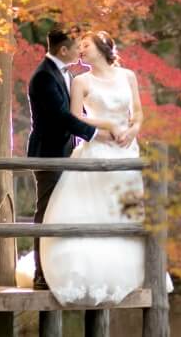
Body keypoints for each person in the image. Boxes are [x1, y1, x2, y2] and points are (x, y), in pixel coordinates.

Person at [39, 30, 166, 305]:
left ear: (103, 47)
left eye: (86, 45)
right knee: (91, 209)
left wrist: (132, 130)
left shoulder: (128, 76)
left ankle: (131, 271)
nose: (81, 50)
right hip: (97, 148)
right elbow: (74, 117)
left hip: (126, 150)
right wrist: (106, 128)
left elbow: (138, 112)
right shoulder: (80, 81)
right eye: (79, 46)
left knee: (125, 212)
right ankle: (89, 272)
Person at [26, 28, 124, 291]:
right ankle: (41, 274)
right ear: (63, 51)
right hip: (48, 152)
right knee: (46, 213)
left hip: (66, 151)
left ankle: (59, 268)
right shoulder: (44, 77)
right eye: (75, 47)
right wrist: (96, 134)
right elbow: (61, 117)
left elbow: (76, 113)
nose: (79, 51)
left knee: (62, 211)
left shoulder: (64, 73)